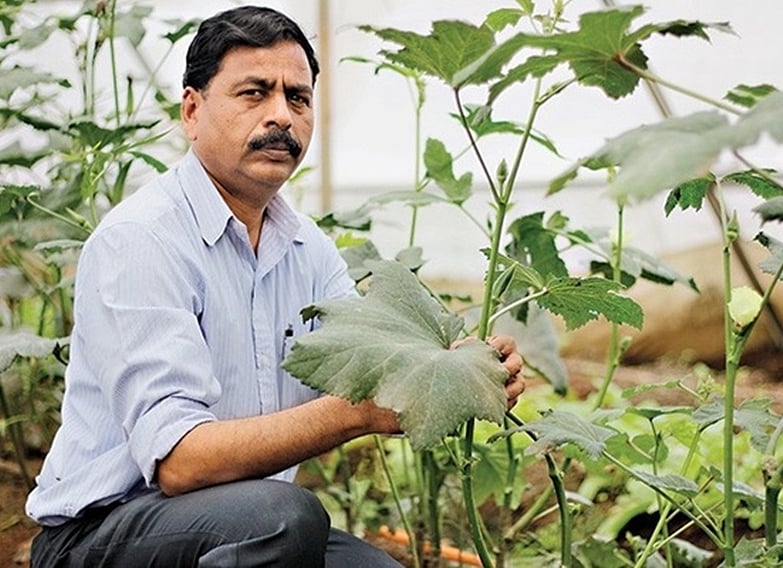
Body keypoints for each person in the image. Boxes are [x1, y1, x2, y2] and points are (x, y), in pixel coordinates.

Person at [25, 5, 526, 566]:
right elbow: (180, 463)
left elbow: (377, 368)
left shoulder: (308, 248)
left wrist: (460, 369)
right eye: (254, 93)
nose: (282, 116)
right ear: (192, 111)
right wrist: (358, 413)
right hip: (102, 534)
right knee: (286, 518)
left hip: (242, 524)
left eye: (298, 98)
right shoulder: (142, 240)